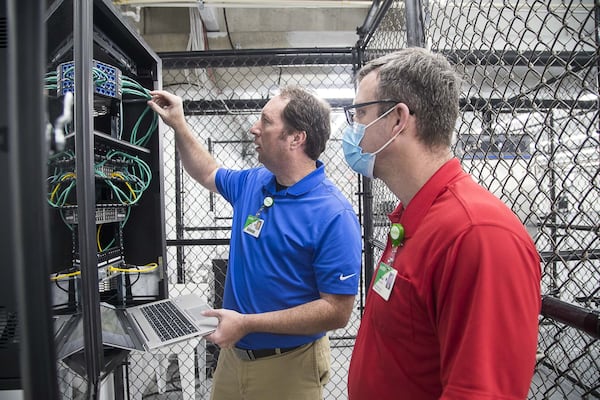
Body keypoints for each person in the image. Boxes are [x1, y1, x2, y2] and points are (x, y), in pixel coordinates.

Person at [343, 47, 541, 399]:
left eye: (360, 114)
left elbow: (480, 392)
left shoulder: (477, 234)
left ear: (398, 119)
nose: (352, 129)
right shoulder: (413, 219)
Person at [147, 86, 362, 400]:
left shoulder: (333, 214)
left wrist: (247, 323)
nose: (254, 128)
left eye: (266, 121)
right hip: (234, 357)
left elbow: (336, 312)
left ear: (295, 138)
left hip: (290, 364)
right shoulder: (254, 182)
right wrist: (179, 125)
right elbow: (207, 171)